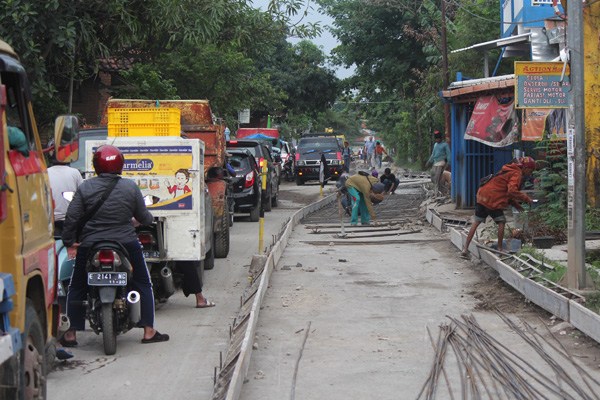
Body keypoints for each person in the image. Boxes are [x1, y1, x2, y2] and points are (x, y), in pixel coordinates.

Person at [61, 145, 169, 345]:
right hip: (126, 242)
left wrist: (70, 242)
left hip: (90, 243)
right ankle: (148, 331)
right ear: (120, 165)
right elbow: (144, 218)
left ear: (96, 165)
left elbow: (72, 219)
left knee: (77, 286)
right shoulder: (130, 187)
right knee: (143, 283)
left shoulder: (85, 187)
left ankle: (71, 333)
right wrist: (141, 220)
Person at [460, 156, 536, 258]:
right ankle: (500, 249)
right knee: (501, 222)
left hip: (482, 194)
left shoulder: (508, 168)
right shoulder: (517, 173)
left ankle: (465, 249)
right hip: (492, 198)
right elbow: (511, 191)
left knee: (476, 222)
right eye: (530, 171)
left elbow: (504, 190)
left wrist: (516, 205)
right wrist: (527, 199)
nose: (530, 173)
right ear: (526, 168)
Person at [47, 153, 83, 236]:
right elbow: (83, 196)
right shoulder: (75, 173)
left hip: (49, 222)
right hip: (70, 221)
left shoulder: (45, 172)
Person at [426, 130, 451, 195]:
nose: (437, 140)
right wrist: (429, 161)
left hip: (441, 163)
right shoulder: (435, 145)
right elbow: (433, 154)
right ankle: (442, 191)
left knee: (437, 179)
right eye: (436, 139)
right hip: (435, 163)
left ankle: (437, 193)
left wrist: (448, 163)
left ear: (441, 138)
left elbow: (448, 154)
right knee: (433, 178)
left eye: (438, 139)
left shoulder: (445, 145)